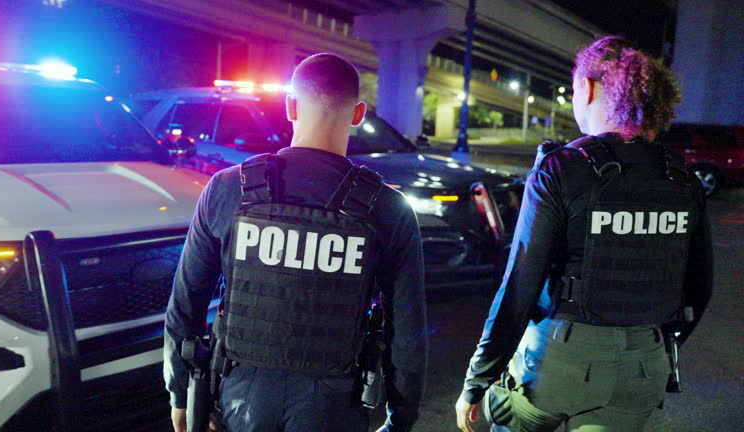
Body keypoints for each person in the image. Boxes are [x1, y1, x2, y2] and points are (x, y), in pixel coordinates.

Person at [455, 36, 713, 432]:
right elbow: (700, 287)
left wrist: (478, 379)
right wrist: (655, 346)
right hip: (644, 364)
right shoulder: (683, 178)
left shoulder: (561, 168)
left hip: (559, 361)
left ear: (588, 88)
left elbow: (520, 284)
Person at [164, 53, 427, 432]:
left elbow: (185, 304)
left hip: (240, 398)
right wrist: (402, 417)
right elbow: (407, 332)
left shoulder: (227, 188)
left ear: (290, 107)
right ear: (358, 114)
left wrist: (180, 394)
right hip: (335, 405)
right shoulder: (388, 208)